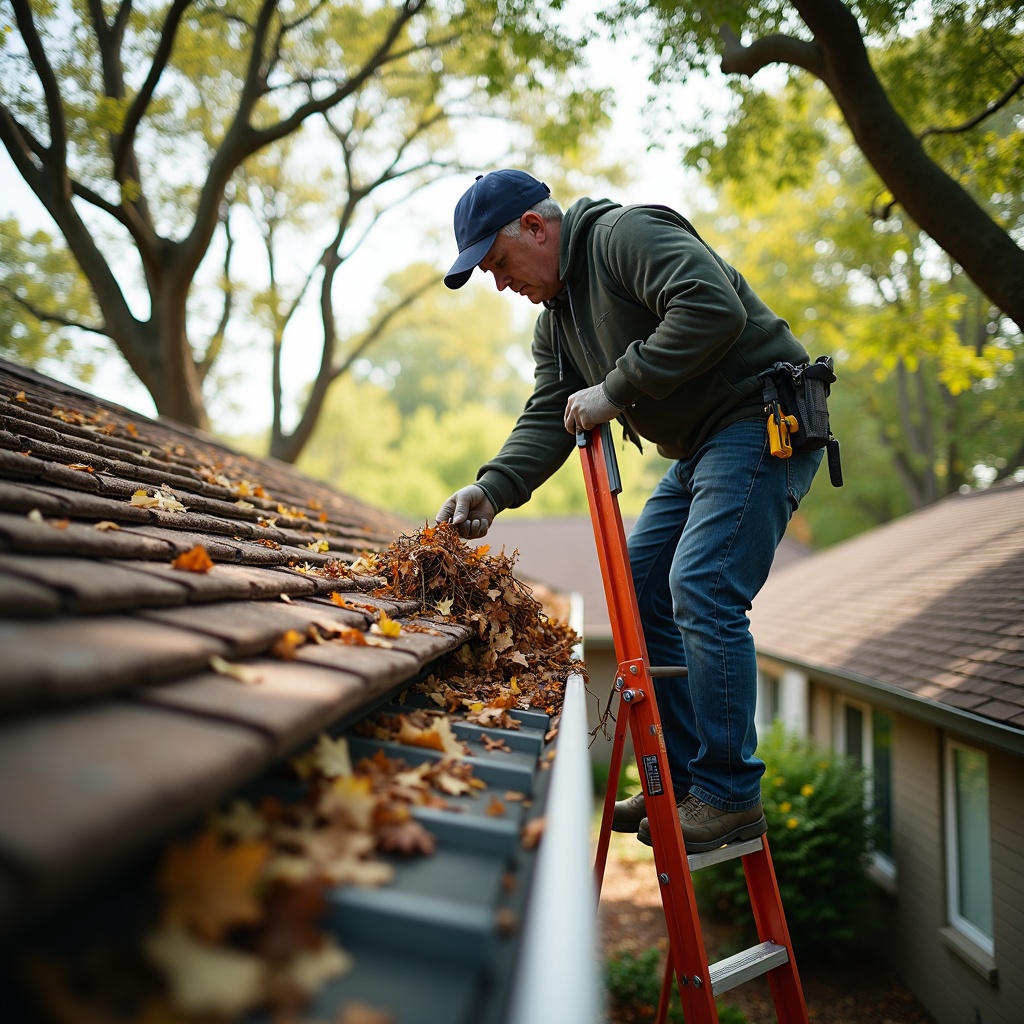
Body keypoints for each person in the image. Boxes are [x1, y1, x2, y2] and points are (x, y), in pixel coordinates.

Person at [435, 169, 822, 853]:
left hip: (762, 418)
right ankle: (679, 775)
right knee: (639, 590)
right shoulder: (556, 322)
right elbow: (550, 416)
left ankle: (730, 793)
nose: (500, 283)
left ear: (534, 226)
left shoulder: (624, 235)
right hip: (703, 445)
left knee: (701, 583)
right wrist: (491, 487)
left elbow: (710, 307)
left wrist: (615, 388)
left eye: (498, 263)